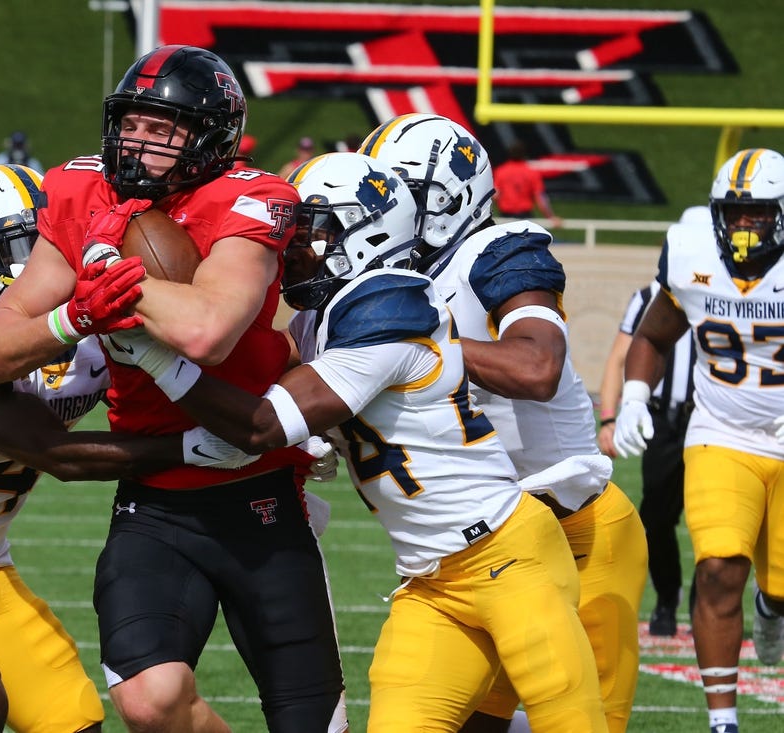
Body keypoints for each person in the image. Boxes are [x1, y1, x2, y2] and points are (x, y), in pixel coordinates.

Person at [100, 151, 607, 732]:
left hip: (511, 558)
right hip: (431, 581)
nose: (292, 251)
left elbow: (262, 424)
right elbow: (255, 368)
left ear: (367, 229)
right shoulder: (322, 318)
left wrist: (159, 361)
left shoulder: (388, 307)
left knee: (573, 723)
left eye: (308, 235)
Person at [0, 45, 348, 733]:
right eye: (131, 123)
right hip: (156, 495)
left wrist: (115, 274)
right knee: (148, 698)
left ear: (210, 136)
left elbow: (208, 331)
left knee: (309, 721)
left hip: (257, 485)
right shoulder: (82, 189)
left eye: (163, 128)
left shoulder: (254, 196)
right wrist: (76, 314)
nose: (137, 142)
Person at [0, 163, 258, 733]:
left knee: (72, 721)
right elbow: (56, 455)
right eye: (16, 242)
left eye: (41, 239)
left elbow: (195, 362)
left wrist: (283, 424)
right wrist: (192, 448)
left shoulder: (85, 332)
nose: (34, 259)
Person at [360, 113, 646, 733]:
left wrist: (418, 353)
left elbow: (537, 365)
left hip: (579, 531)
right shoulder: (386, 282)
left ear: (445, 198)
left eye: (394, 194)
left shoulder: (497, 252)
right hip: (478, 544)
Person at [614, 147, 784, 733]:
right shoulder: (692, 254)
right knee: (717, 566)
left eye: (758, 214)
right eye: (735, 214)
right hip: (722, 432)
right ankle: (723, 721)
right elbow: (655, 335)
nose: (744, 227)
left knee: (780, 590)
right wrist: (635, 394)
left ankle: (773, 607)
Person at [598, 253, 698, 637]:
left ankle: (704, 607)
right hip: (663, 420)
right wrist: (609, 417)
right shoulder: (648, 297)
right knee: (656, 516)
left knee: (712, 518)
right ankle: (667, 599)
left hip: (711, 419)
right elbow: (619, 357)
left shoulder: (734, 291)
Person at [492, 139, 562, 228]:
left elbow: (495, 195)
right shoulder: (531, 172)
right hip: (525, 216)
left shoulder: (501, 171)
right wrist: (551, 217)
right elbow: (540, 198)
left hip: (506, 217)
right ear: (524, 154)